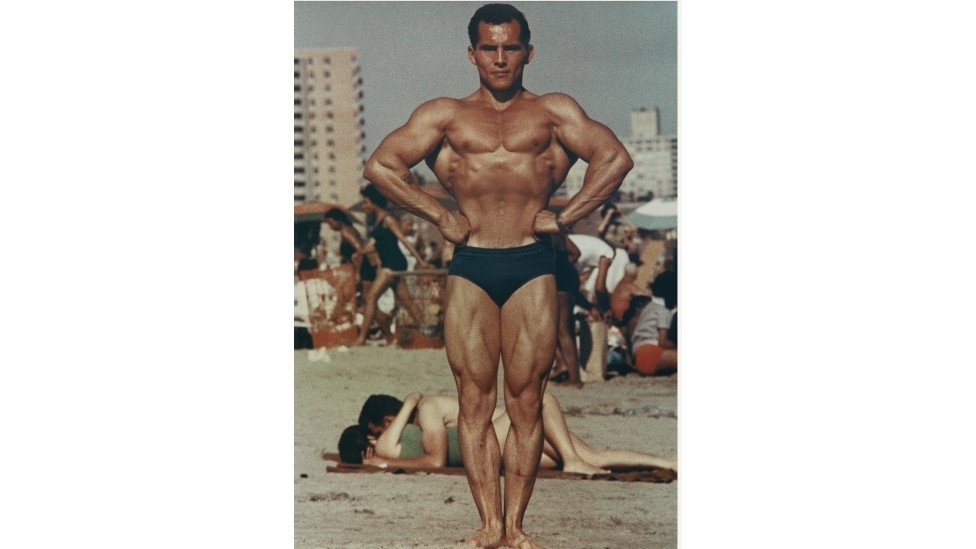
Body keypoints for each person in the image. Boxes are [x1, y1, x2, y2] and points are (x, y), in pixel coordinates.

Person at [360, 4, 633, 548]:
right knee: (474, 402)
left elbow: (614, 158)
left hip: (532, 264)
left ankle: (516, 528)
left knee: (527, 402)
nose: (501, 59)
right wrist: (438, 214)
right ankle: (488, 526)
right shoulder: (445, 115)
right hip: (472, 265)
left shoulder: (553, 111)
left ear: (529, 51)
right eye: (490, 48)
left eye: (511, 47)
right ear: (472, 54)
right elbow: (381, 166)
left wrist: (568, 216)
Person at [338, 392, 676, 475]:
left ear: (389, 418)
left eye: (383, 428)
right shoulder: (422, 414)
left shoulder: (426, 409)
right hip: (503, 437)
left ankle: (669, 462)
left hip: (504, 432)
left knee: (543, 402)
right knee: (591, 455)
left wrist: (385, 461)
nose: (387, 435)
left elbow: (437, 457)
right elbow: (446, 451)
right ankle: (667, 462)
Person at [353, 184, 431, 346]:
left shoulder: (388, 219)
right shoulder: (375, 220)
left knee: (371, 297)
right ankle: (426, 333)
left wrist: (420, 260)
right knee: (407, 302)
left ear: (374, 202)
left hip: (393, 263)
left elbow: (403, 240)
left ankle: (361, 339)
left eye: (366, 202)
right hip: (390, 262)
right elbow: (378, 245)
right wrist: (361, 252)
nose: (364, 206)